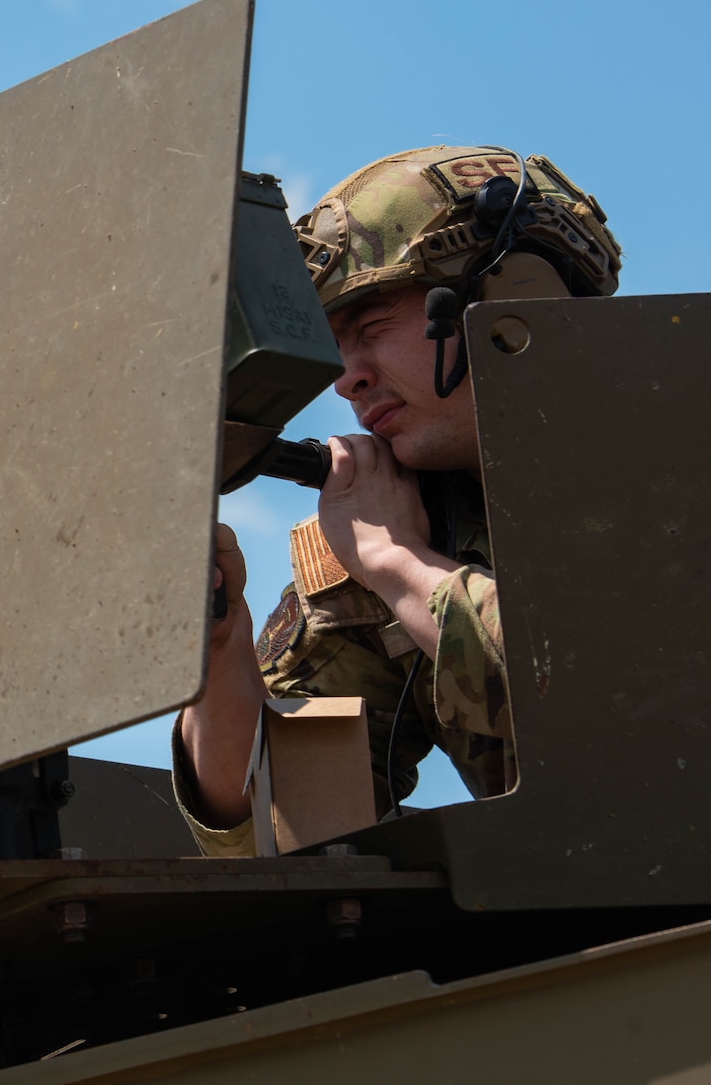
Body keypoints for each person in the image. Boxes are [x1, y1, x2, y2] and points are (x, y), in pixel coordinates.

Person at [174, 146, 622, 856]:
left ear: (509, 293)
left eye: (372, 327)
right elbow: (279, 826)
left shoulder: (708, 439)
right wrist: (217, 649)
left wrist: (401, 565)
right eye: (334, 344)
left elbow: (633, 704)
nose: (346, 380)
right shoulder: (398, 519)